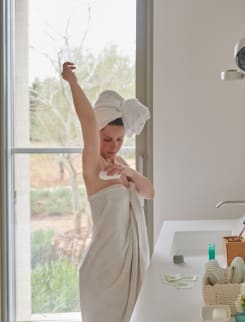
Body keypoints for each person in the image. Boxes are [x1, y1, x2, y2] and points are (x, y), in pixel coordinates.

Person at [61, 61, 154, 322]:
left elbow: (149, 193)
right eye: (107, 139)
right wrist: (72, 81)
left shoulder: (121, 166)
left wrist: (131, 174)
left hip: (129, 267)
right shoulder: (94, 166)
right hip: (103, 271)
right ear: (97, 135)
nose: (113, 146)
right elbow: (88, 120)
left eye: (120, 140)